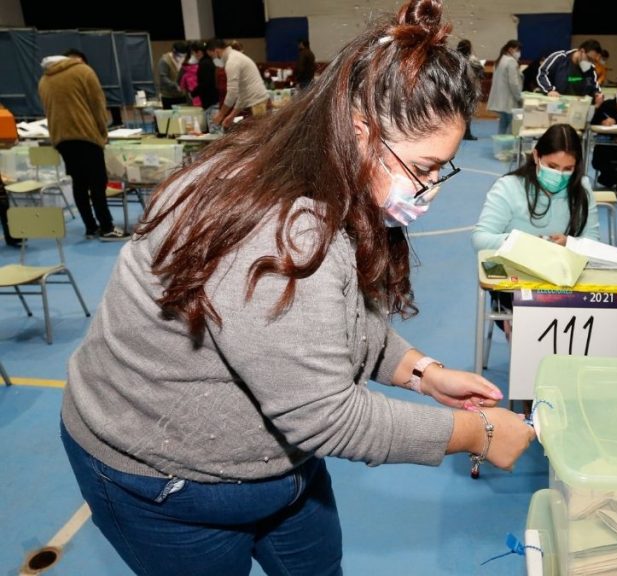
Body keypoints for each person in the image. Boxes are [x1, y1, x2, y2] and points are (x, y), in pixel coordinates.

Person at [59, 2, 536, 573]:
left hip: (278, 464)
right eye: (425, 167)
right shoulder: (276, 230)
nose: (431, 190)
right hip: (167, 480)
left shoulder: (316, 172)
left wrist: (421, 371)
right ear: (362, 132)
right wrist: (474, 432)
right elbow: (326, 415)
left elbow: (329, 319)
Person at [473, 123, 599, 336]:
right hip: (513, 278)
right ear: (536, 156)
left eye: (568, 169)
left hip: (561, 277)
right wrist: (523, 243)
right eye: (552, 165)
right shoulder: (509, 187)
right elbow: (480, 239)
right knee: (534, 319)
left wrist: (570, 243)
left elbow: (592, 240)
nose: (560, 175)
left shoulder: (582, 188)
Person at [38, 49, 127, 241]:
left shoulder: (44, 80)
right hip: (86, 136)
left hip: (61, 139)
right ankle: (107, 226)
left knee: (79, 183)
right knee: (97, 182)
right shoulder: (83, 72)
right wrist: (102, 132)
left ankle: (90, 227)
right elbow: (97, 104)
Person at [210, 38, 270, 128]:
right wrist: (232, 115)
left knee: (261, 139)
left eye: (212, 56)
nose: (214, 59)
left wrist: (221, 114)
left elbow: (232, 93)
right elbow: (242, 93)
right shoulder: (235, 57)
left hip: (258, 105)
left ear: (216, 51)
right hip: (259, 102)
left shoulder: (232, 61)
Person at [536, 39, 605, 104]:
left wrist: (597, 94)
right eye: (589, 59)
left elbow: (593, 85)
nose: (591, 63)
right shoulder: (560, 58)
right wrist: (550, 90)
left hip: (576, 106)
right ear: (582, 51)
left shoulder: (590, 69)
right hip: (555, 104)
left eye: (594, 61)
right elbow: (542, 74)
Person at [487, 40, 523, 135]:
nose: (519, 53)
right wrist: (519, 98)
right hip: (509, 100)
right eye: (517, 50)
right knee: (511, 126)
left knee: (503, 124)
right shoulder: (511, 62)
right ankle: (506, 148)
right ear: (510, 49)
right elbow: (514, 83)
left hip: (501, 99)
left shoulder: (500, 60)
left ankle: (501, 148)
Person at [456, 39, 484, 140]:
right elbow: (481, 74)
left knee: (458, 113)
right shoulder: (473, 60)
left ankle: (457, 134)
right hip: (470, 89)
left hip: (456, 89)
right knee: (468, 113)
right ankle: (466, 133)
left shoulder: (454, 58)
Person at [192, 40, 220, 132]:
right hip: (214, 100)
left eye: (194, 53)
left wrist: (193, 93)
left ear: (199, 52)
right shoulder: (210, 62)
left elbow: (205, 83)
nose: (194, 56)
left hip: (211, 102)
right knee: (215, 130)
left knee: (214, 131)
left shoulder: (204, 64)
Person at [158, 41, 190, 109]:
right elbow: (163, 77)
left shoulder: (185, 60)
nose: (181, 58)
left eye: (184, 56)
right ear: (173, 51)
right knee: (171, 118)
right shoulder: (165, 60)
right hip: (168, 96)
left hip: (182, 95)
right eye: (179, 56)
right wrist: (175, 85)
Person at [177, 42, 202, 107]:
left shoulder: (184, 66)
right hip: (199, 95)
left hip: (191, 95)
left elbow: (179, 82)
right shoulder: (202, 64)